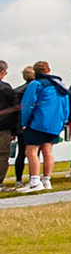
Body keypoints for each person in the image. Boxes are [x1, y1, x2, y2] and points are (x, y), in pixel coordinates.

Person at [17, 62, 69, 193]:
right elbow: (65, 105)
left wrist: (24, 122)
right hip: (55, 123)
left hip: (38, 122)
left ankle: (35, 181)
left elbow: (28, 104)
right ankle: (47, 180)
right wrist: (63, 121)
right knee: (48, 151)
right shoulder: (59, 85)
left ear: (35, 72)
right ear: (48, 70)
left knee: (31, 151)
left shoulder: (36, 84)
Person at [0, 61, 17, 190]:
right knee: (2, 155)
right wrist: (14, 129)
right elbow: (13, 108)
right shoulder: (5, 88)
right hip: (3, 126)